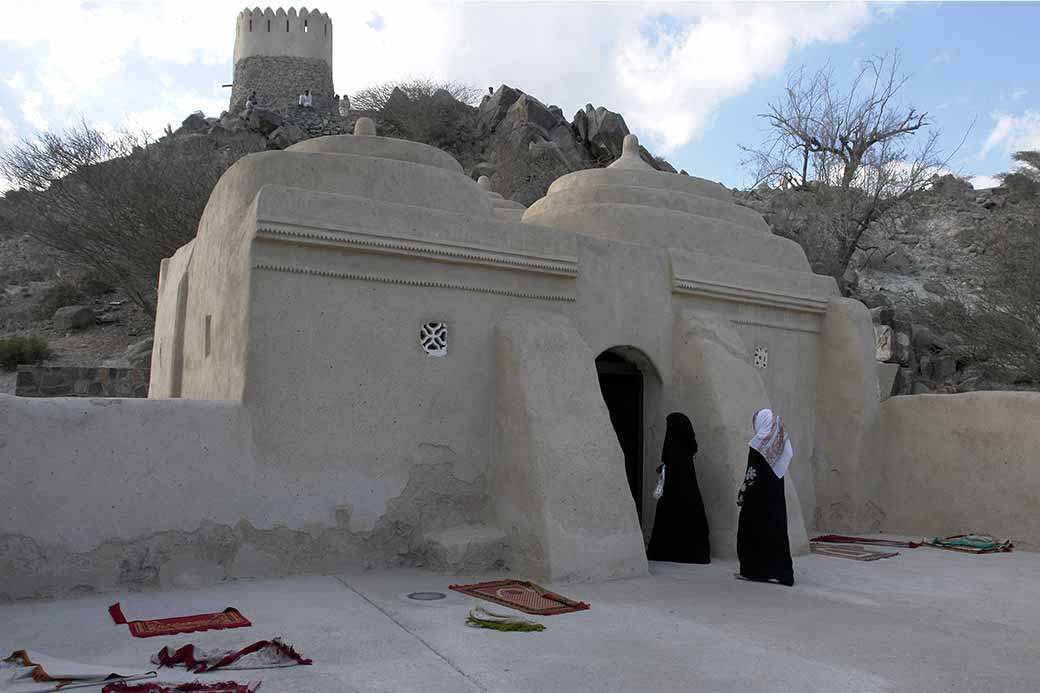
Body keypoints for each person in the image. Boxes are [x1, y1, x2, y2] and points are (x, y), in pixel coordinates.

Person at [736, 408, 794, 586]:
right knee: (775, 531)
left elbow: (751, 473)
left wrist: (742, 493)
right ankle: (779, 572)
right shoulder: (780, 442)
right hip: (775, 499)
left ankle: (753, 570)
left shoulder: (758, 443)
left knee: (751, 532)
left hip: (756, 500)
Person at [647, 412, 711, 564]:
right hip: (688, 492)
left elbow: (672, 464)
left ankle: (669, 552)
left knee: (670, 518)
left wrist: (665, 467)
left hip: (672, 494)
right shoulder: (685, 447)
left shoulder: (672, 444)